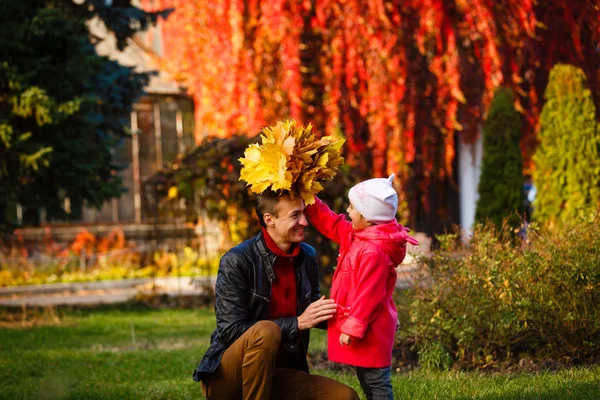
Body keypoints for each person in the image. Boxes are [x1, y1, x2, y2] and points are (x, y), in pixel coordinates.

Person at [193, 189, 359, 400]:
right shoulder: (237, 260)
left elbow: (314, 310)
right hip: (228, 380)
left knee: (345, 397)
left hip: (279, 374)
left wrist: (362, 315)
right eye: (294, 215)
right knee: (266, 330)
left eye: (303, 213)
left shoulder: (307, 256)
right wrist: (296, 323)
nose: (304, 222)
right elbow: (230, 330)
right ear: (269, 219)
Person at [304, 174, 418, 400]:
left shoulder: (373, 252)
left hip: (371, 329)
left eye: (353, 208)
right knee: (367, 379)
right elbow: (332, 223)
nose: (347, 211)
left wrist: (352, 327)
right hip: (367, 326)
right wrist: (310, 201)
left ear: (369, 217)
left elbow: (370, 295)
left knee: (376, 383)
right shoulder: (359, 235)